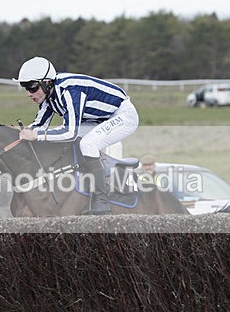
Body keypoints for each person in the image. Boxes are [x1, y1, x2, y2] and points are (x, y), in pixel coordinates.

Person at [15, 56, 139, 215]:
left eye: (32, 87)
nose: (29, 93)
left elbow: (70, 132)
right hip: (98, 119)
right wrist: (21, 133)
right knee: (59, 138)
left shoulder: (70, 91)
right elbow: (39, 126)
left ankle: (102, 198)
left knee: (87, 144)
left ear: (47, 82)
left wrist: (36, 135)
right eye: (25, 88)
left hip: (122, 115)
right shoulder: (49, 96)